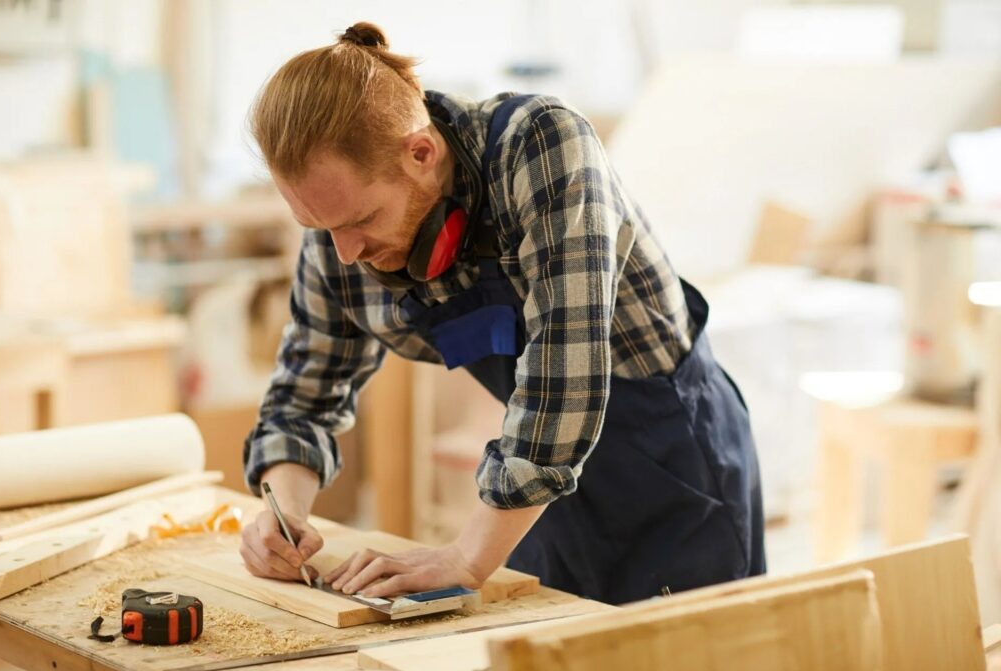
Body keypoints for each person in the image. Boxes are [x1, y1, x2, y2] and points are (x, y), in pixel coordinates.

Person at [239, 21, 765, 605]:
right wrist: (282, 516)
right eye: (321, 227)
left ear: (421, 151)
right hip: (545, 498)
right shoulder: (338, 226)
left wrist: (466, 556)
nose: (345, 253)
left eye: (360, 221)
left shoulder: (541, 144)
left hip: (674, 470)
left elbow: (562, 381)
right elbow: (303, 394)